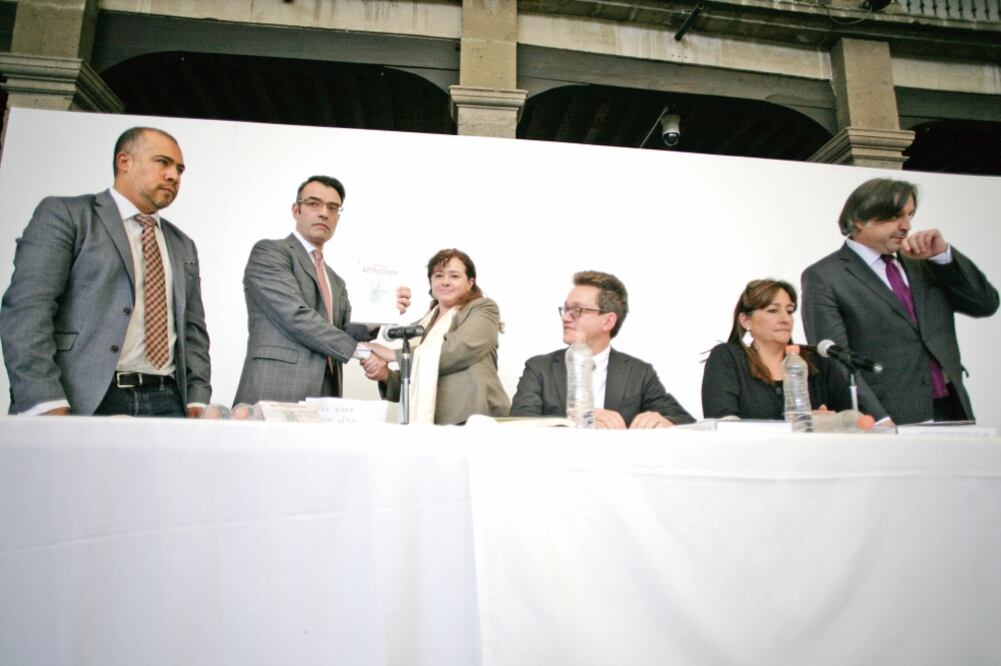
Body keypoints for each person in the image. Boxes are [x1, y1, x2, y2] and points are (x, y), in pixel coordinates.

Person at [0, 127, 211, 417]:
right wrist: (42, 398)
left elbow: (192, 328)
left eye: (179, 169)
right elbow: (28, 309)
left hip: (168, 400)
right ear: (125, 162)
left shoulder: (182, 243)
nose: (174, 176)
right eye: (163, 162)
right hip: (84, 398)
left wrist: (197, 398)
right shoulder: (67, 214)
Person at [801, 178, 998, 424]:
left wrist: (943, 257)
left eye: (909, 215)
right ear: (859, 220)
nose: (906, 226)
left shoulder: (924, 261)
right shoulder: (824, 276)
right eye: (895, 216)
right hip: (890, 417)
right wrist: (878, 418)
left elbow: (985, 304)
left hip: (951, 408)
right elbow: (836, 362)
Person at [233, 175, 409, 405]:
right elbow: (296, 317)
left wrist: (382, 311)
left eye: (333, 207)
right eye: (314, 203)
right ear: (296, 210)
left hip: (326, 392)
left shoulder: (335, 280)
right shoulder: (269, 253)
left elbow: (342, 331)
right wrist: (363, 353)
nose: (324, 213)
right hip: (276, 387)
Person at [510, 271, 693, 428]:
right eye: (565, 309)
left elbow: (684, 421)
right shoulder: (539, 367)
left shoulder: (638, 373)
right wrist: (580, 422)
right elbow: (521, 424)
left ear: (608, 321)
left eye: (576, 310)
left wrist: (664, 422)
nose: (565, 317)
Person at [366, 248, 510, 424]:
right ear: (431, 282)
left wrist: (391, 354)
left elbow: (458, 350)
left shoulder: (484, 308)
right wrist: (385, 374)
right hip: (433, 423)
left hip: (473, 417)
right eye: (438, 275)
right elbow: (413, 378)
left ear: (470, 282)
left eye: (454, 276)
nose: (445, 282)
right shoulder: (421, 325)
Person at [702, 279, 853, 420]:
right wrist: (799, 425)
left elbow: (854, 420)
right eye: (773, 311)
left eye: (789, 311)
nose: (785, 319)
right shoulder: (728, 358)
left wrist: (832, 421)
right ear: (746, 321)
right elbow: (722, 424)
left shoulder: (818, 362)